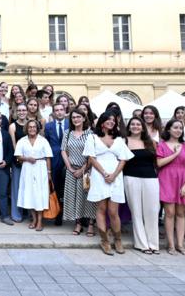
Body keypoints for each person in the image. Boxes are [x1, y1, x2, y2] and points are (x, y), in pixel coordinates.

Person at [83, 112, 134, 255]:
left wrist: (114, 175)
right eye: (108, 119)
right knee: (101, 209)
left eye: (113, 120)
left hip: (116, 176)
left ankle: (117, 240)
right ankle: (105, 241)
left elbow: (123, 159)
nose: (111, 122)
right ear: (102, 122)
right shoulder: (92, 138)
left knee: (113, 211)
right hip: (99, 176)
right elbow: (91, 158)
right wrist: (105, 173)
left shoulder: (119, 139)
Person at [157, 118, 185, 256]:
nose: (178, 130)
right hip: (167, 179)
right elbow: (159, 163)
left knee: (181, 214)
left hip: (183, 180)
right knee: (169, 213)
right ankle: (171, 245)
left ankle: (180, 244)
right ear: (168, 129)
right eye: (175, 127)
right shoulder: (161, 145)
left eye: (180, 128)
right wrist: (175, 153)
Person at [124, 117, 160, 254]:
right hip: (131, 177)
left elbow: (156, 161)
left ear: (142, 127)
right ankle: (142, 244)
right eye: (132, 124)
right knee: (137, 212)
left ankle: (153, 244)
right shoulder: (124, 141)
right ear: (129, 127)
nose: (135, 126)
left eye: (138, 124)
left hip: (151, 178)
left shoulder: (150, 142)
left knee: (152, 211)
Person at [61, 109, 97, 237]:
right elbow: (63, 151)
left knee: (88, 197)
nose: (75, 119)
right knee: (73, 197)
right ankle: (78, 223)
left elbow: (92, 154)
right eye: (73, 117)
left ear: (83, 118)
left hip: (87, 170)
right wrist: (70, 167)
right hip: (71, 170)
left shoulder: (90, 134)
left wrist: (83, 169)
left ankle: (91, 224)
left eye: (78, 117)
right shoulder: (68, 133)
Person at [15, 119, 53, 231]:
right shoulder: (22, 140)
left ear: (37, 128)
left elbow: (48, 157)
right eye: (30, 127)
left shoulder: (43, 140)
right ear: (27, 128)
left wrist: (49, 172)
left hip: (41, 168)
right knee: (30, 194)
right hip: (27, 168)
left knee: (40, 194)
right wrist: (27, 158)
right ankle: (34, 219)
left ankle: (40, 221)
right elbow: (18, 156)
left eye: (34, 127)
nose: (32, 129)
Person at [45, 103, 69, 226]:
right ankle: (58, 215)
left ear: (65, 111)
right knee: (56, 188)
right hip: (54, 161)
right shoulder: (48, 126)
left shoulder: (71, 124)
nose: (59, 112)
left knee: (68, 188)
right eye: (56, 110)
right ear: (53, 112)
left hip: (69, 160)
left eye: (61, 110)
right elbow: (46, 144)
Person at [9, 103, 29, 223]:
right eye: (20, 110)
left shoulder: (31, 124)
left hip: (31, 161)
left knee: (28, 187)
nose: (22, 112)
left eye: (24, 110)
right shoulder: (13, 126)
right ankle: (16, 213)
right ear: (17, 112)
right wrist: (20, 158)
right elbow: (14, 145)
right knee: (16, 187)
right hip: (18, 160)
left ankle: (28, 213)